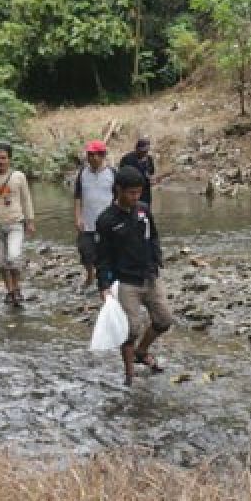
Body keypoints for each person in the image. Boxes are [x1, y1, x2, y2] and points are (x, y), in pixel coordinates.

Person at [95, 166, 173, 385]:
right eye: (131, 193)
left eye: (139, 192)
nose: (135, 197)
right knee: (130, 329)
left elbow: (154, 236)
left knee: (164, 319)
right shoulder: (106, 220)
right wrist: (104, 285)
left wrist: (157, 258)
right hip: (126, 281)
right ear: (119, 190)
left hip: (150, 276)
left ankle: (142, 351)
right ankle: (129, 376)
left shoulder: (143, 211)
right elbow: (102, 257)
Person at [0, 141, 35, 307]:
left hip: (16, 222)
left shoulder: (19, 177)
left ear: (9, 159)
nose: (0, 161)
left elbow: (26, 199)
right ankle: (9, 291)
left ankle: (17, 287)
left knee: (14, 257)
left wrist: (30, 221)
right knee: (2, 262)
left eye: (3, 158)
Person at [73, 139, 116, 290]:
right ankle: (90, 274)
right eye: (89, 154)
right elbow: (78, 197)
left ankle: (106, 279)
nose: (91, 157)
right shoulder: (82, 173)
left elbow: (118, 198)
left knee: (107, 252)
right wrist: (77, 217)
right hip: (87, 221)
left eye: (94, 154)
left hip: (107, 222)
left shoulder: (112, 173)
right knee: (85, 251)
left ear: (102, 155)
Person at [119, 136, 158, 205]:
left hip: (145, 193)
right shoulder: (127, 159)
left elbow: (151, 173)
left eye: (146, 151)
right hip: (131, 192)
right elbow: (121, 176)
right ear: (137, 149)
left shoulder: (149, 159)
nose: (144, 153)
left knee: (143, 213)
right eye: (142, 151)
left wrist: (152, 179)